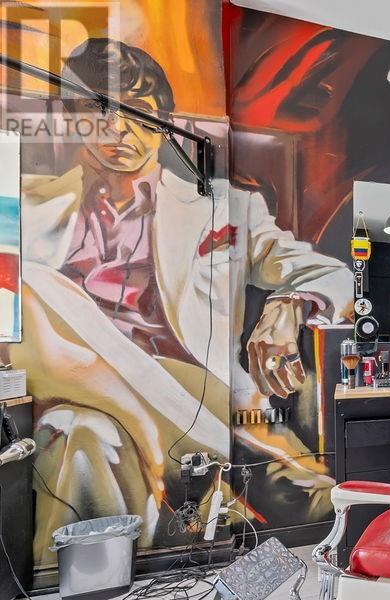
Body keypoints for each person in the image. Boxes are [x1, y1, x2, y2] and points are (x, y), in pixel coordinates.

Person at [14, 39, 353, 560]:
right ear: (73, 120)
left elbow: (333, 273)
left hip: (199, 389)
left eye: (137, 113)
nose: (117, 129)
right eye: (97, 111)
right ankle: (224, 458)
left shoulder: (224, 208)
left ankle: (116, 591)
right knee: (31, 285)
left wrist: (288, 305)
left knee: (82, 437)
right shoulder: (26, 206)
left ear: (164, 122)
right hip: (71, 386)